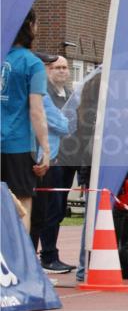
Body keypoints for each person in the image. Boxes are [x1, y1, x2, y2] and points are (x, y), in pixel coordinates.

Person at [0, 10, 50, 231]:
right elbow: (37, 111)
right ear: (29, 25)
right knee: (22, 205)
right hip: (18, 144)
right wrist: (46, 150)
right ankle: (19, 263)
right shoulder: (33, 64)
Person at [29, 53, 72, 271]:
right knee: (41, 212)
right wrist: (63, 120)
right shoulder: (42, 93)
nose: (62, 71)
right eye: (56, 67)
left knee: (54, 209)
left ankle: (46, 254)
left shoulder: (70, 94)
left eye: (65, 67)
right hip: (43, 159)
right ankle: (43, 257)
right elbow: (64, 124)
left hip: (60, 158)